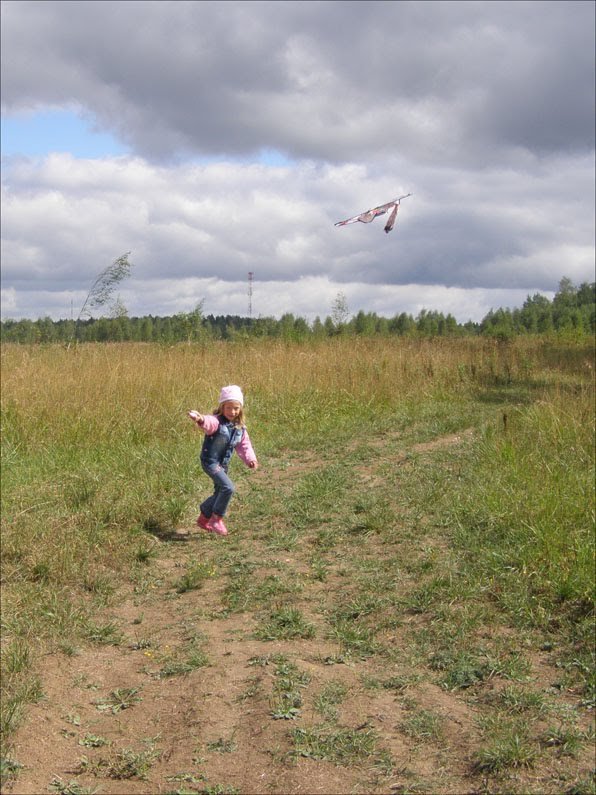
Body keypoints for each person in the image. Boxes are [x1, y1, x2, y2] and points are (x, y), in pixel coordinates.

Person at [187, 385, 258, 536]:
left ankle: (203, 517)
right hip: (210, 462)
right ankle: (216, 519)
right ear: (222, 407)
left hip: (222, 465)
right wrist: (200, 419)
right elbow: (208, 422)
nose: (232, 412)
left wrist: (250, 459)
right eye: (228, 408)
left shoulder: (240, 428)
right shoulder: (217, 422)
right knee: (228, 487)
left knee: (220, 491)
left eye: (236, 408)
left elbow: (244, 445)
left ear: (241, 408)